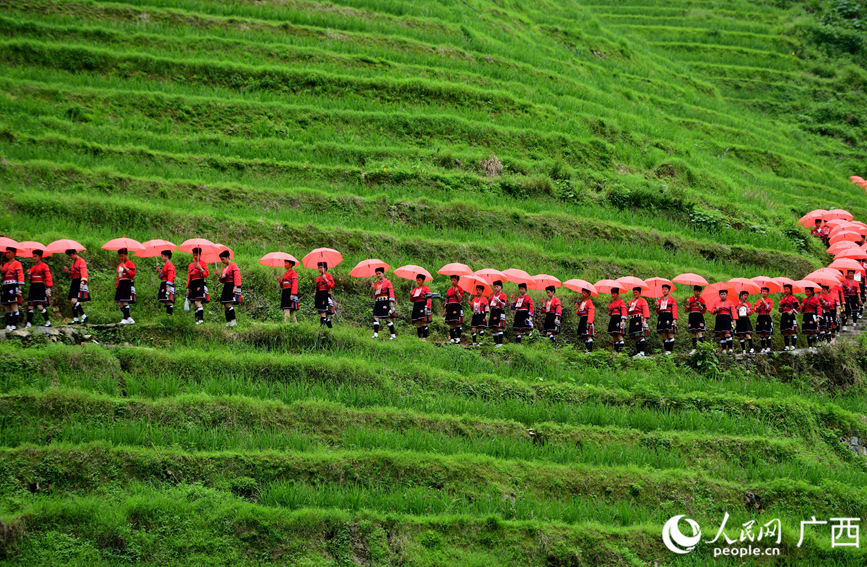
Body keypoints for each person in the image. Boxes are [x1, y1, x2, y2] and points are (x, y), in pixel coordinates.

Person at [61, 249, 89, 324]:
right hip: (74, 281)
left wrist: (82, 282)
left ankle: (84, 316)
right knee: (72, 301)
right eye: (69, 255)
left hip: (79, 281)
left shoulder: (81, 261)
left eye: (71, 255)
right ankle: (76, 318)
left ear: (75, 253)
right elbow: (72, 273)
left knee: (74, 300)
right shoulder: (73, 263)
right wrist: (67, 271)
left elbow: (84, 271)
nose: (70, 257)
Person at [25, 249, 52, 328]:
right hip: (33, 287)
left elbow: (48, 277)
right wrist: (29, 274)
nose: (34, 258)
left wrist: (48, 288)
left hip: (40, 286)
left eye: (35, 256)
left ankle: (48, 321)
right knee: (30, 305)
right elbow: (30, 280)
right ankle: (29, 323)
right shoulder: (33, 267)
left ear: (40, 257)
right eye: (33, 256)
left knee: (39, 305)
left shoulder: (44, 266)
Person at [1, 247, 24, 331]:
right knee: (7, 306)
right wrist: (1, 271)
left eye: (9, 252)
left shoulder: (17, 264)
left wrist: (19, 288)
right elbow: (3, 277)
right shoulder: (5, 264)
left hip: (13, 285)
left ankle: (14, 324)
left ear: (14, 253)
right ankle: (8, 324)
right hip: (6, 285)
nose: (7, 254)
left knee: (14, 304)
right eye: (6, 252)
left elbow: (20, 275)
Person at [186, 247, 209, 325]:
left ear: (200, 255)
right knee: (194, 303)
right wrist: (187, 288)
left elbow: (206, 275)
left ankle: (201, 320)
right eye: (194, 255)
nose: (195, 256)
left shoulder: (203, 263)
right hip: (192, 284)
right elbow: (189, 277)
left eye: (197, 255)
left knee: (197, 301)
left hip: (200, 282)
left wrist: (201, 269)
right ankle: (197, 321)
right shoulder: (190, 265)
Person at [218, 250, 241, 327]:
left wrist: (236, 287)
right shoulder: (224, 268)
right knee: (225, 304)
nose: (222, 261)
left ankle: (233, 321)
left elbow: (237, 277)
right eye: (221, 259)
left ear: (228, 258)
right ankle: (228, 321)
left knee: (229, 304)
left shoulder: (234, 266)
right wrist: (220, 276)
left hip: (232, 286)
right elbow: (223, 280)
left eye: (223, 259)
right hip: (226, 286)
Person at [371, 267, 396, 340]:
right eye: (377, 274)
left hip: (385, 301)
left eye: (379, 273)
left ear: (383, 273)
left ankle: (393, 335)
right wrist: (373, 288)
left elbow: (391, 293)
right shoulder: (376, 284)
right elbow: (375, 295)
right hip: (378, 301)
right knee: (375, 316)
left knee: (387, 318)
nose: (378, 275)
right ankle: (375, 334)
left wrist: (391, 304)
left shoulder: (388, 282)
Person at [114, 248, 137, 325]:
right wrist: (117, 286)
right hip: (121, 283)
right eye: (120, 256)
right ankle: (129, 317)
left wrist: (126, 269)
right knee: (120, 303)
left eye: (122, 256)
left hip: (127, 282)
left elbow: (133, 274)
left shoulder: (130, 263)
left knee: (125, 301)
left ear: (126, 255)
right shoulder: (119, 265)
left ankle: (125, 318)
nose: (121, 258)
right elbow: (118, 276)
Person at [712, 288, 738, 354]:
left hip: (727, 319)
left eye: (724, 294)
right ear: (719, 295)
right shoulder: (716, 303)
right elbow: (712, 311)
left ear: (726, 295)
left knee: (727, 333)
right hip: (719, 319)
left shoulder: (730, 302)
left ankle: (730, 349)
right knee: (721, 334)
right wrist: (716, 310)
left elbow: (733, 311)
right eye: (721, 294)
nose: (723, 295)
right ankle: (723, 349)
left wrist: (734, 320)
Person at [654, 284, 677, 355]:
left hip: (669, 316)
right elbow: (658, 311)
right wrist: (657, 306)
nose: (664, 290)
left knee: (669, 333)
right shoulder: (660, 300)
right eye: (663, 289)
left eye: (666, 289)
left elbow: (674, 309)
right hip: (662, 316)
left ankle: (670, 350)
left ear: (669, 290)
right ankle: (666, 350)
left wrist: (674, 319)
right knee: (663, 333)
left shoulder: (672, 299)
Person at [627, 287, 650, 357]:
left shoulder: (643, 301)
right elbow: (629, 312)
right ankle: (638, 353)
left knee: (640, 335)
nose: (635, 294)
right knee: (635, 336)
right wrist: (628, 306)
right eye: (634, 292)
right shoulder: (632, 302)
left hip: (640, 318)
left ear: (640, 293)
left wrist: (645, 320)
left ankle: (642, 352)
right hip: (633, 319)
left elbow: (645, 310)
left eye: (636, 292)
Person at [409, 274, 432, 341]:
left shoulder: (426, 288)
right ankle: (419, 338)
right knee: (418, 322)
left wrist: (427, 306)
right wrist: (411, 295)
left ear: (423, 280)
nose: (418, 281)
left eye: (419, 280)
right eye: (417, 280)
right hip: (416, 305)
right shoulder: (415, 289)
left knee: (424, 321)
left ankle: (424, 338)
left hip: (423, 305)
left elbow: (429, 298)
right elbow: (412, 300)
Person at [685, 286, 707, 354]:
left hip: (699, 316)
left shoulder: (702, 300)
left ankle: (701, 348)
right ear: (694, 291)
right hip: (692, 316)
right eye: (697, 291)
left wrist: (700, 306)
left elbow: (704, 310)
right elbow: (686, 310)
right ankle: (694, 348)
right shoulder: (690, 299)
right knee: (693, 332)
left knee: (699, 331)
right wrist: (688, 304)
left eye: (699, 291)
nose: (698, 293)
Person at [800, 285, 823, 350]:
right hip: (806, 316)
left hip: (812, 316)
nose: (806, 293)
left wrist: (818, 317)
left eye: (808, 291)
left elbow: (818, 308)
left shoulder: (816, 299)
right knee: (808, 332)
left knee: (813, 332)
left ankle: (815, 345)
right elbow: (801, 311)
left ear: (812, 292)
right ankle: (810, 346)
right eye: (806, 291)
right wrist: (802, 307)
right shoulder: (804, 300)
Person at [779, 284, 800, 351]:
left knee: (791, 330)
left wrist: (792, 311)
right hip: (784, 315)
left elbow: (798, 306)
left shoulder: (793, 298)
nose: (785, 290)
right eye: (784, 289)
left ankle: (793, 346)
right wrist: (780, 305)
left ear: (790, 290)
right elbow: (780, 310)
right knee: (785, 331)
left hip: (790, 315)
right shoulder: (782, 299)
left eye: (787, 289)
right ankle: (787, 346)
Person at [444, 275, 465, 344]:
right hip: (450, 306)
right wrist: (446, 308)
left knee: (457, 322)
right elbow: (447, 299)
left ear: (457, 281)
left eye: (454, 280)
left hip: (456, 306)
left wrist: (458, 293)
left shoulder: (460, 288)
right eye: (451, 280)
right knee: (451, 323)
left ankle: (458, 338)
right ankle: (452, 338)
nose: (452, 282)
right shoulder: (449, 289)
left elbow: (460, 299)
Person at [314, 262, 335, 328]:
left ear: (325, 268)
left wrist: (326, 279)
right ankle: (327, 329)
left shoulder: (328, 276)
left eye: (321, 267)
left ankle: (324, 329)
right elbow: (316, 288)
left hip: (326, 295)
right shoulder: (318, 278)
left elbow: (332, 285)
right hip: (319, 296)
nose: (319, 269)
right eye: (318, 268)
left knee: (323, 313)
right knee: (323, 314)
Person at [754, 287, 774, 353]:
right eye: (763, 291)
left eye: (766, 291)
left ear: (768, 293)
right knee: (761, 333)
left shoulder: (770, 300)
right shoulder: (758, 301)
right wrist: (760, 304)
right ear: (761, 293)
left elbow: (769, 308)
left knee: (767, 332)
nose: (764, 293)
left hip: (766, 316)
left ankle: (768, 347)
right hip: (760, 317)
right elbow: (755, 310)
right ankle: (762, 348)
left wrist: (764, 302)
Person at [488, 280, 508, 347]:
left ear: (501, 287)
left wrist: (499, 301)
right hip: (493, 311)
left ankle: (500, 343)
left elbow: (504, 305)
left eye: (497, 287)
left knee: (498, 327)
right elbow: (490, 304)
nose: (495, 288)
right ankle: (495, 343)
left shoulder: (503, 295)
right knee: (493, 328)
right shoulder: (493, 295)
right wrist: (489, 299)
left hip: (499, 311)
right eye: (494, 287)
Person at [280, 259, 299, 323]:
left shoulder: (293, 273)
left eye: (286, 263)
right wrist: (280, 281)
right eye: (284, 263)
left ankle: (285, 326)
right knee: (291, 312)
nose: (285, 264)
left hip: (290, 292)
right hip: (285, 293)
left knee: (287, 310)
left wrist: (293, 294)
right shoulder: (285, 274)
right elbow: (282, 285)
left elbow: (295, 284)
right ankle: (296, 326)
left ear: (291, 264)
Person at [607, 288, 626, 353]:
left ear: (618, 294)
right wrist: (609, 309)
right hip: (613, 319)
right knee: (614, 335)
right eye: (612, 294)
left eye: (614, 294)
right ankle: (616, 351)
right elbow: (610, 313)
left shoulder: (621, 302)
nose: (613, 295)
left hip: (618, 318)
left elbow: (623, 311)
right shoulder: (612, 303)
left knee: (619, 334)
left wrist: (623, 321)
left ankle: (621, 352)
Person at [575, 288, 595, 352]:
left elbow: (591, 312)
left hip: (587, 319)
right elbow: (580, 313)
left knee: (588, 335)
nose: (583, 294)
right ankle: (587, 350)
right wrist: (578, 309)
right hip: (582, 319)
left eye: (584, 293)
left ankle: (590, 350)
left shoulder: (589, 302)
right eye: (582, 292)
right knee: (584, 336)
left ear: (588, 293)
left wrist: (589, 322)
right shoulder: (582, 302)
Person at [157, 250, 176, 316]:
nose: (161, 257)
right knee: (165, 300)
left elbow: (170, 275)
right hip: (164, 283)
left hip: (167, 284)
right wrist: (159, 271)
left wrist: (168, 285)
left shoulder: (169, 265)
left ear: (167, 256)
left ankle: (170, 316)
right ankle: (168, 316)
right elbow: (161, 277)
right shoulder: (165, 265)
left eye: (162, 256)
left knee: (168, 300)